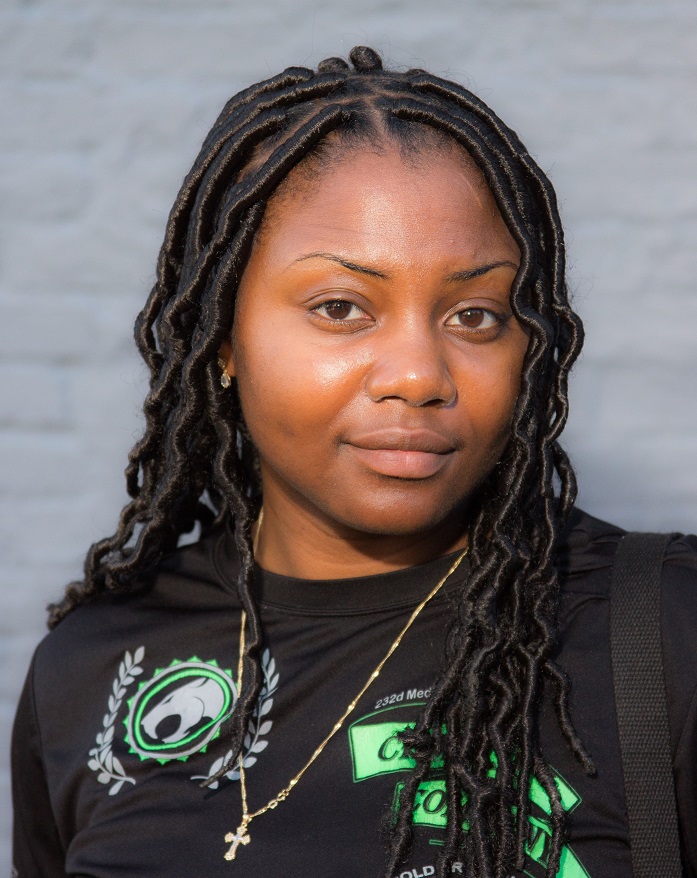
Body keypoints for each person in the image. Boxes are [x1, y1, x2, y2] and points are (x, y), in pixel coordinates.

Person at [11, 46, 697, 878]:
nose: (417, 375)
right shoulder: (91, 670)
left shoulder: (665, 631)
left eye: (476, 315)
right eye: (341, 308)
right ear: (223, 338)